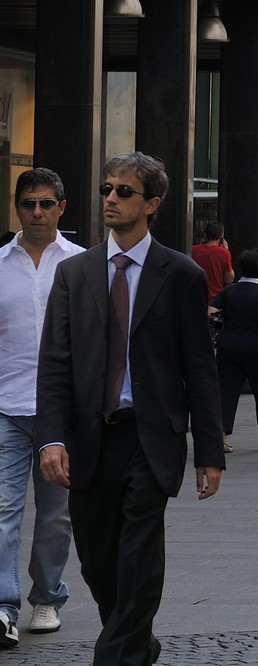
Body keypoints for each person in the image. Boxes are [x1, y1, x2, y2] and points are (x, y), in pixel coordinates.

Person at [36, 152, 226, 666]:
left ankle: (116, 657)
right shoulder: (73, 274)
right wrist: (51, 438)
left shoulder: (180, 274)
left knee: (138, 558)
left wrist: (210, 451)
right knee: (99, 563)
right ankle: (138, 643)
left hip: (150, 438)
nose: (111, 199)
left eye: (123, 191)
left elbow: (199, 370)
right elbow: (54, 363)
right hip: (88, 439)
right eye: (106, 190)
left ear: (153, 203)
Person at [0, 169, 82, 647]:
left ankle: (47, 595)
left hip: (63, 413)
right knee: (4, 509)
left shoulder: (80, 264)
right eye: (29, 203)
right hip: (7, 407)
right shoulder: (1, 263)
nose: (37, 212)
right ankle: (5, 605)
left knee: (56, 514)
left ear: (61, 208)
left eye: (46, 204)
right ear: (17, 207)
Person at [210, 248, 258, 454]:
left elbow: (211, 312)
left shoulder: (228, 291)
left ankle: (223, 437)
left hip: (229, 346)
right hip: (256, 349)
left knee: (227, 391)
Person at [190, 220, 234, 303]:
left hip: (195, 295)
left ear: (205, 235)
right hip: (215, 298)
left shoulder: (193, 249)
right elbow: (229, 279)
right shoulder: (224, 253)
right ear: (222, 236)